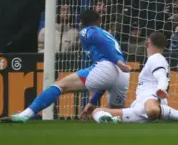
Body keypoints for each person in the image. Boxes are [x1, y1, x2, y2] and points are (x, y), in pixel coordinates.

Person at [3, 10, 131, 123]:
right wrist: (93, 101)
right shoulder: (108, 35)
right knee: (115, 112)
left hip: (110, 66)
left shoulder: (87, 31)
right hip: (122, 75)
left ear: (81, 23)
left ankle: (25, 115)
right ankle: (112, 118)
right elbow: (107, 79)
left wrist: (117, 60)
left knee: (59, 85)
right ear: (99, 21)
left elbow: (99, 41)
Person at [88, 32, 178, 124]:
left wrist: (161, 88)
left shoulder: (156, 58)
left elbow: (161, 76)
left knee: (151, 110)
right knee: (97, 111)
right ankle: (112, 120)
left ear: (147, 43)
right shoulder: (156, 59)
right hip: (140, 107)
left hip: (150, 100)